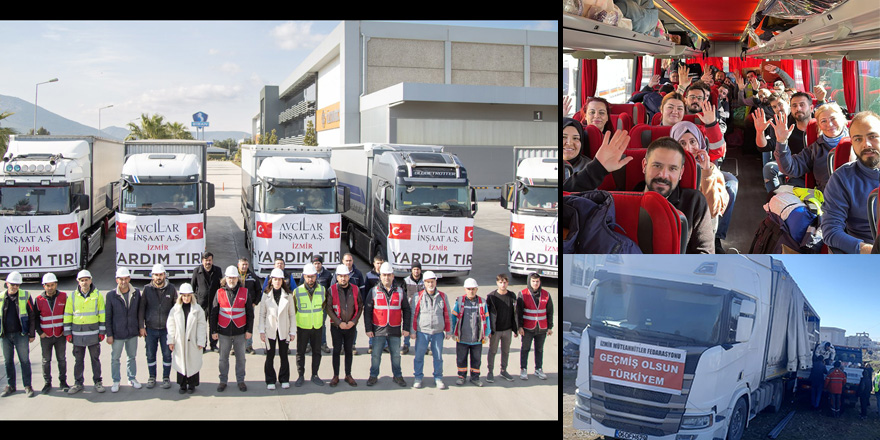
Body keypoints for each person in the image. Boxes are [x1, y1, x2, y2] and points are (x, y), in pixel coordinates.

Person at [634, 137, 715, 253]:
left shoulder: (694, 202)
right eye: (657, 166)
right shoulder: (621, 201)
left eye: (672, 169)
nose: (663, 175)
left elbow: (705, 256)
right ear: (644, 166)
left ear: (681, 173)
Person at [820, 111, 880, 254]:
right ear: (852, 143)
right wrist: (868, 250)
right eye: (858, 139)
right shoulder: (842, 179)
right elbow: (831, 231)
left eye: (873, 136)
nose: (866, 144)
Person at [670, 120, 734, 254]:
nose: (688, 148)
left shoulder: (712, 170)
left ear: (700, 143)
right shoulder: (668, 169)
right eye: (682, 143)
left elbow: (712, 210)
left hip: (702, 227)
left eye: (693, 142)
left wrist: (705, 174)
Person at [774, 102, 850, 192]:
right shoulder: (814, 149)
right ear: (819, 126)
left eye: (833, 118)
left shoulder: (859, 142)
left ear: (843, 119)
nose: (829, 124)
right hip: (827, 199)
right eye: (823, 121)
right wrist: (782, 142)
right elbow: (789, 168)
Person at [364, 262, 411, 387]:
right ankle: (373, 376)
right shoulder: (373, 291)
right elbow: (367, 311)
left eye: (389, 275)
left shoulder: (400, 291)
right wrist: (368, 328)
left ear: (393, 276)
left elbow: (407, 310)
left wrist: (406, 328)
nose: (387, 277)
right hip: (378, 329)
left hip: (394, 329)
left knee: (396, 355)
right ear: (380, 276)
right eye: (384, 275)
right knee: (375, 355)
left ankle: (398, 376)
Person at [211, 266, 254, 392]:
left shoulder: (244, 292)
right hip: (224, 332)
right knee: (223, 358)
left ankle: (240, 380)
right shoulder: (219, 293)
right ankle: (223, 381)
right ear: (226, 278)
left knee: (241, 358)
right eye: (229, 277)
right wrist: (213, 331)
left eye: (234, 277)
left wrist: (249, 330)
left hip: (240, 332)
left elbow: (250, 313)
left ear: (238, 278)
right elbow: (214, 313)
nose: (232, 280)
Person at [760, 92, 813, 192]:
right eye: (795, 106)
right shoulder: (780, 123)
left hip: (816, 170)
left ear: (811, 108)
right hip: (794, 166)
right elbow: (770, 146)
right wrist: (760, 132)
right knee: (769, 167)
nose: (798, 109)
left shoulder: (821, 125)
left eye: (802, 105)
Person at [562, 118, 633, 192]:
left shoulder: (589, 167)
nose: (569, 143)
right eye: (563, 137)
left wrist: (598, 168)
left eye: (576, 138)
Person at [64, 270, 106, 394]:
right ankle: (78, 383)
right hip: (77, 334)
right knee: (78, 360)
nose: (84, 282)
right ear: (78, 281)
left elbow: (102, 314)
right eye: (82, 280)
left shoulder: (98, 295)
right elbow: (68, 314)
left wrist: (102, 331)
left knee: (95, 359)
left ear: (91, 280)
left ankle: (98, 382)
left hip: (93, 333)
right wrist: (68, 333)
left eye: (86, 280)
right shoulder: (72, 296)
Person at [410, 270, 451, 389]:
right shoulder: (418, 296)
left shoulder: (443, 296)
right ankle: (418, 377)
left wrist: (449, 331)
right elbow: (414, 314)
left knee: (438, 357)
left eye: (432, 282)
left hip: (438, 332)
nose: (430, 284)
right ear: (424, 283)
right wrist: (412, 331)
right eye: (428, 282)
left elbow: (447, 313)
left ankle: (438, 377)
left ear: (435, 282)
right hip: (422, 332)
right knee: (419, 356)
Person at [139, 263, 178, 389]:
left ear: (164, 275)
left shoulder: (171, 289)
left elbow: (176, 309)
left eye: (161, 275)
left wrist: (175, 328)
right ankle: (152, 377)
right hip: (150, 329)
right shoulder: (147, 289)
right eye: (156, 275)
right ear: (152, 276)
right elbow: (141, 309)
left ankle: (166, 378)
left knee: (167, 355)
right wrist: (141, 326)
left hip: (166, 330)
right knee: (150, 354)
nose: (158, 277)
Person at [105, 267, 142, 393]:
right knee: (115, 358)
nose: (124, 281)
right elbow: (108, 316)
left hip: (132, 332)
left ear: (129, 279)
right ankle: (116, 380)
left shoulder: (136, 292)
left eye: (126, 278)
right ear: (117, 280)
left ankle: (132, 378)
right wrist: (109, 334)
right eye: (121, 279)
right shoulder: (111, 295)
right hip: (117, 334)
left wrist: (140, 328)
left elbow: (139, 312)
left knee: (131, 357)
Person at [258, 268, 296, 390]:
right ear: (271, 281)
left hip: (284, 330)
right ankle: (270, 380)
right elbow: (262, 314)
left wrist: (292, 331)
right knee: (270, 356)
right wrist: (262, 331)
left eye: (279, 279)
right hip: (270, 330)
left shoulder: (288, 295)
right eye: (275, 279)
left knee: (284, 355)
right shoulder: (265, 296)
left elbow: (292, 314)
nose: (277, 282)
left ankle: (284, 379)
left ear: (282, 281)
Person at [166, 283, 207, 394]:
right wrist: (171, 340)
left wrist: (201, 341)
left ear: (191, 296)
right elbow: (171, 325)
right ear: (181, 297)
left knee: (192, 362)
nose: (186, 298)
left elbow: (202, 326)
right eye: (184, 296)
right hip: (180, 342)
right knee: (181, 362)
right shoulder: (175, 310)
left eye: (188, 296)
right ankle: (182, 385)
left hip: (193, 342)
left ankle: (192, 385)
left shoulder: (197, 310)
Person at [1, 271, 36, 397]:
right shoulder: (1, 297)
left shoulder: (25, 295)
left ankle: (28, 386)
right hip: (5, 336)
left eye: (17, 284)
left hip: (21, 334)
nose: (15, 287)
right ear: (7, 284)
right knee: (8, 361)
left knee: (24, 361)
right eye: (12, 284)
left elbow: (32, 316)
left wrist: (31, 334)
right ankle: (11, 386)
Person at [293, 262, 327, 387]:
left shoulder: (322, 290)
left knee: (317, 352)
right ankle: (301, 375)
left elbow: (324, 306)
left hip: (317, 327)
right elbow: (294, 309)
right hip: (303, 327)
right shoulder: (297, 292)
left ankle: (315, 374)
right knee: (300, 352)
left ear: (316, 276)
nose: (310, 279)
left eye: (312, 276)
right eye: (308, 276)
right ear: (304, 276)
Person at [34, 272, 69, 394]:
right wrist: (40, 332)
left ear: (56, 284)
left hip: (60, 335)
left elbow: (68, 314)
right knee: (46, 360)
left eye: (52, 285)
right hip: (46, 336)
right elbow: (35, 318)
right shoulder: (38, 300)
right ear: (44, 286)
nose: (50, 287)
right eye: (47, 285)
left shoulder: (64, 297)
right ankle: (47, 383)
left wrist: (66, 329)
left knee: (61, 359)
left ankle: (63, 382)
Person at [451, 278, 490, 387]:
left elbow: (487, 319)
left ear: (477, 289)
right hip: (463, 337)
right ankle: (461, 376)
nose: (471, 291)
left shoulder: (482, 302)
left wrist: (486, 334)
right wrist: (453, 332)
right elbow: (454, 317)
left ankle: (475, 378)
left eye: (473, 289)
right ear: (465, 289)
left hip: (477, 338)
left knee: (476, 359)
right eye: (469, 289)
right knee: (461, 358)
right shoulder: (459, 301)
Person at [327, 264, 362, 387]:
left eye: (345, 276)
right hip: (337, 327)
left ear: (349, 277)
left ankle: (348, 374)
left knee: (348, 350)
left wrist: (353, 322)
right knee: (336, 350)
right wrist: (339, 323)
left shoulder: (355, 289)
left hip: (351, 326)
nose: (343, 278)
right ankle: (335, 375)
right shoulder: (331, 290)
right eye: (340, 276)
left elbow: (359, 307)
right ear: (337, 277)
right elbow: (329, 308)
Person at [517, 273, 553, 381]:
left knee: (539, 349)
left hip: (542, 328)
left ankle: (538, 369)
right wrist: (520, 327)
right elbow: (518, 313)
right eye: (533, 281)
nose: (535, 283)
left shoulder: (546, 294)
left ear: (540, 282)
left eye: (537, 281)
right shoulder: (523, 294)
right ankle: (523, 369)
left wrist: (550, 327)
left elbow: (550, 312)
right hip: (527, 328)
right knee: (525, 349)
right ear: (529, 282)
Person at [486, 274, 517, 383]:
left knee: (506, 351)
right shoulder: (491, 297)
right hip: (495, 330)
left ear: (508, 283)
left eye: (505, 282)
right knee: (493, 351)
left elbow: (515, 313)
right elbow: (487, 314)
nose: (503, 284)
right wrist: (488, 330)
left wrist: (516, 329)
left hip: (507, 329)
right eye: (500, 282)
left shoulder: (512, 296)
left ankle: (504, 370)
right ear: (497, 283)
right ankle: (490, 372)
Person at [332, 253, 365, 355]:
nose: (348, 262)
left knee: (352, 326)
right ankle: (342, 346)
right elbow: (332, 288)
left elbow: (362, 290)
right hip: (340, 306)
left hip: (353, 306)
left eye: (350, 260)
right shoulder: (336, 274)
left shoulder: (358, 274)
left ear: (352, 261)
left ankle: (352, 345)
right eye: (346, 261)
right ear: (343, 261)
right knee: (340, 326)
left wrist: (361, 303)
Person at [190, 251, 223, 352]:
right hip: (201, 304)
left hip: (214, 303)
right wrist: (197, 298)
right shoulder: (197, 271)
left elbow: (221, 286)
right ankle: (202, 345)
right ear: (202, 261)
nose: (208, 262)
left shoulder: (217, 270)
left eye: (209, 260)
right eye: (206, 260)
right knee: (201, 325)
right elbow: (193, 286)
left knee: (214, 325)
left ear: (212, 260)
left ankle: (213, 345)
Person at [238, 257, 262, 355]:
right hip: (237, 306)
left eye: (246, 265)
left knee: (249, 325)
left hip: (249, 306)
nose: (244, 267)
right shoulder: (234, 275)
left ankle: (248, 346)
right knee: (236, 326)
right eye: (242, 264)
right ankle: (236, 347)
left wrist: (255, 302)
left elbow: (258, 290)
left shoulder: (252, 276)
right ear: (238, 265)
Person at [309, 255, 333, 355]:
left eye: (318, 263)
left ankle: (323, 343)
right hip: (310, 305)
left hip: (322, 305)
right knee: (309, 324)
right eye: (315, 264)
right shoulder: (308, 273)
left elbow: (331, 289)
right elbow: (301, 286)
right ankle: (309, 344)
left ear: (321, 264)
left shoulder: (327, 274)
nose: (317, 265)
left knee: (321, 324)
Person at [401, 261, 424, 355]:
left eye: (418, 269)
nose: (416, 271)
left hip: (422, 309)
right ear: (411, 270)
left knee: (421, 327)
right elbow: (402, 294)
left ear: (420, 270)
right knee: (407, 325)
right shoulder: (406, 281)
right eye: (414, 269)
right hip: (409, 308)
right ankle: (406, 345)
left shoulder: (425, 280)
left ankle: (422, 346)